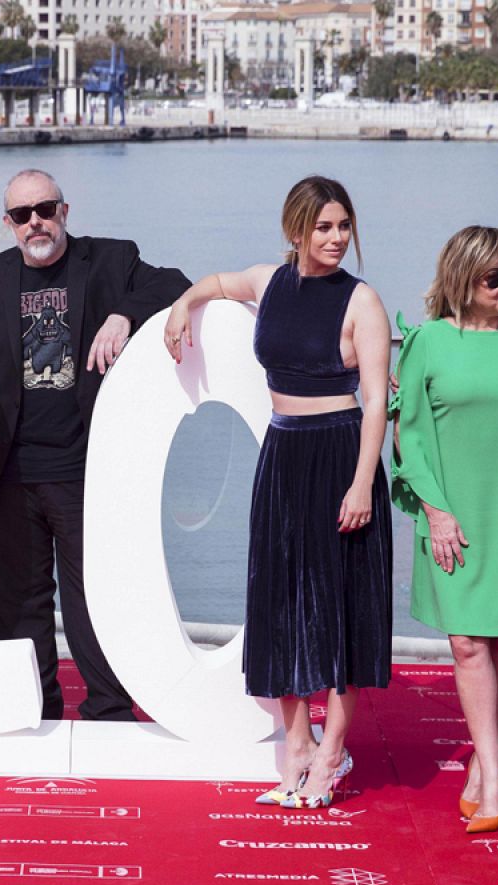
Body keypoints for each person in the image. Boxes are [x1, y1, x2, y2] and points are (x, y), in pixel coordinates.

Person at [163, 175, 393, 809]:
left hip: (343, 453)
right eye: (324, 227)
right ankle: (297, 742)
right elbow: (215, 283)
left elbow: (377, 401)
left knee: (344, 608)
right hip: (284, 452)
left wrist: (361, 484)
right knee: (281, 600)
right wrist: (185, 303)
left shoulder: (362, 300)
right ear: (296, 230)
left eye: (344, 226)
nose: (337, 239)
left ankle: (333, 749)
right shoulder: (269, 281)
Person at [0, 169, 191, 721]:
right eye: (22, 214)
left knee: (97, 599)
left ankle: (109, 708)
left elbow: (177, 284)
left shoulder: (111, 261)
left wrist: (124, 313)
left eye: (44, 209)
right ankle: (31, 711)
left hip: (86, 468)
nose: (34, 222)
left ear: (65, 211)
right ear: (9, 224)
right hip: (4, 474)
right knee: (19, 603)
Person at [389, 226, 498, 834]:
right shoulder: (429, 340)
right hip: (450, 512)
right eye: (496, 277)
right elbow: (406, 432)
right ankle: (492, 769)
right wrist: (435, 511)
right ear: (464, 279)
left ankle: (488, 767)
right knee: (467, 643)